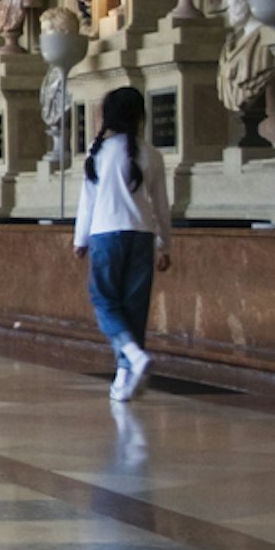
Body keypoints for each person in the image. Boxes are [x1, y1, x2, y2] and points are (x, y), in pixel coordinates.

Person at [71, 83, 169, 400]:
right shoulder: (152, 154)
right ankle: (124, 376)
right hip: (141, 235)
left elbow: (87, 201)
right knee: (133, 307)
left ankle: (133, 357)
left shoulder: (99, 153)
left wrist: (79, 239)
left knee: (104, 301)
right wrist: (164, 244)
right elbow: (161, 205)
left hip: (105, 234)